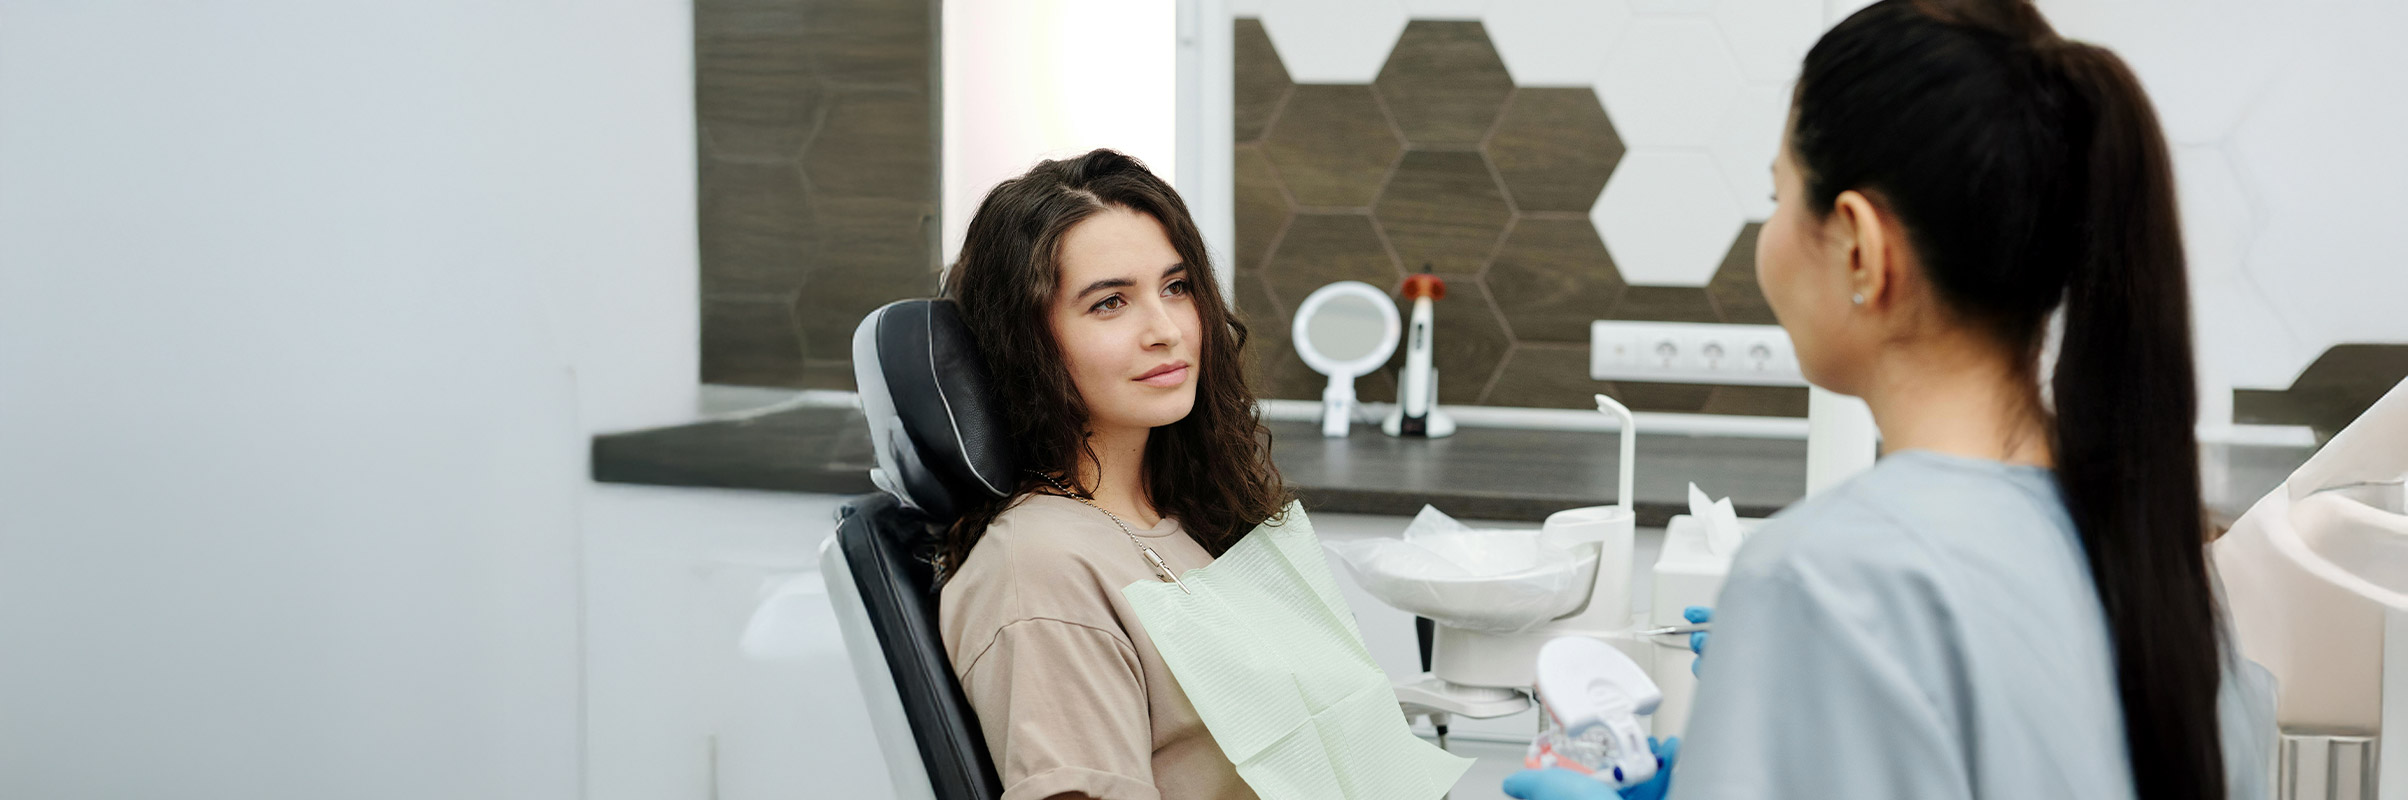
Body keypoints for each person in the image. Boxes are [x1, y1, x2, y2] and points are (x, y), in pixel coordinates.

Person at [1505, 1, 2277, 798]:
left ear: (1861, 249)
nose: (1766, 239)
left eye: (1778, 198)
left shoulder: (1821, 581)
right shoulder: (2162, 563)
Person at [937, 149, 1288, 800]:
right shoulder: (1043, 571)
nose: (1166, 330)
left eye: (1176, 288)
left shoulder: (1179, 515)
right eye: (1109, 303)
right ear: (1027, 341)